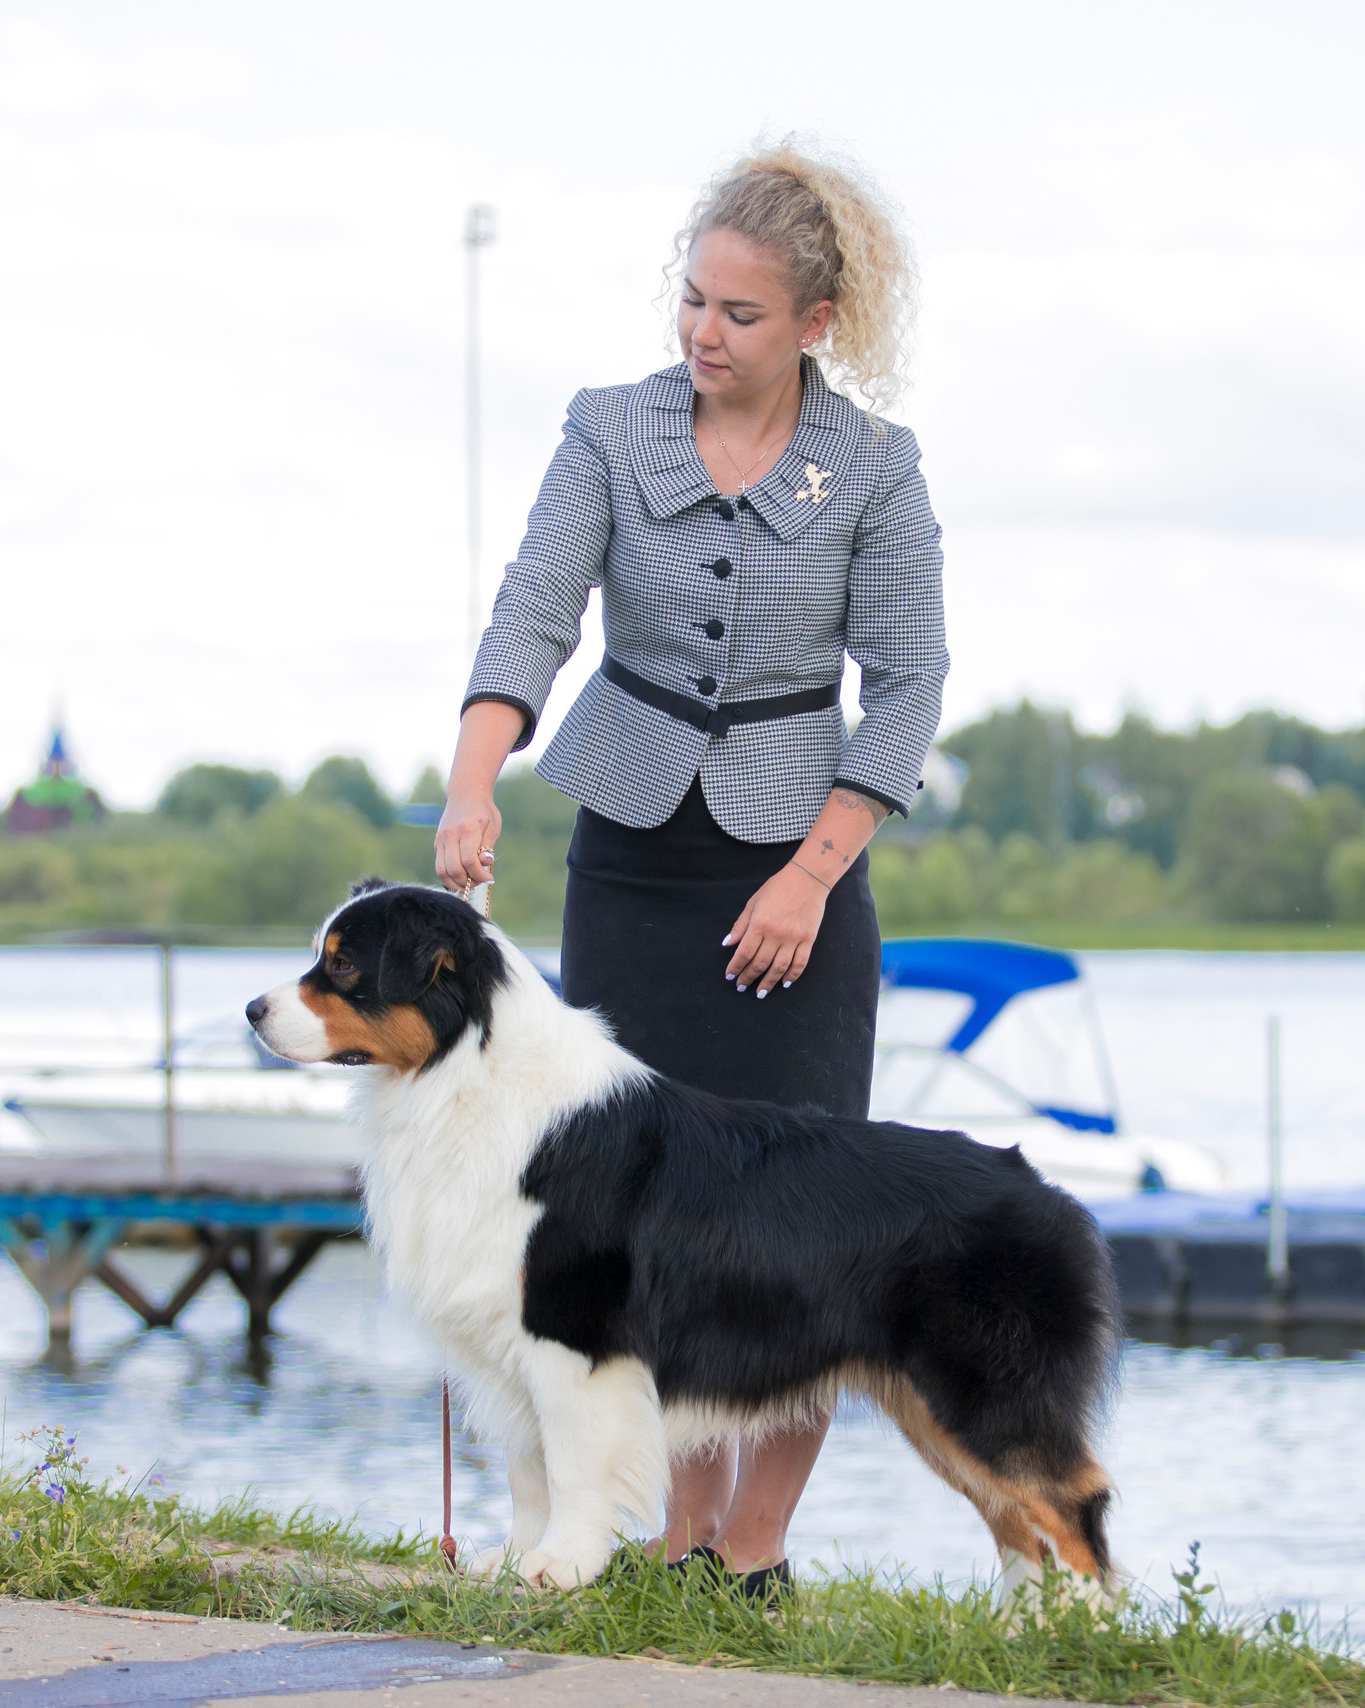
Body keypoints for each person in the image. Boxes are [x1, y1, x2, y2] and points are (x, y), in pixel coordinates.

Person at [434, 143, 947, 1598]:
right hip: (634, 861)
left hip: (803, 865)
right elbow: (531, 616)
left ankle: (756, 1554)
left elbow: (908, 684)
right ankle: (662, 1536)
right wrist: (474, 781)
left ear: (813, 324)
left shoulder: (881, 469)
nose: (704, 334)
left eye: (738, 313)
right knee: (633, 1216)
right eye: (694, 301)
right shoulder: (608, 430)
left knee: (800, 1225)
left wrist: (808, 877)